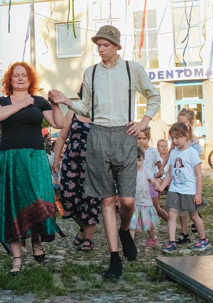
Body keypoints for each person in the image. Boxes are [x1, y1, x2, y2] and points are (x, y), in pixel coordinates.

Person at [49, 25, 161, 278]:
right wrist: (67, 101)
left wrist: (143, 122)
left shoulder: (133, 70)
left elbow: (154, 96)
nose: (101, 48)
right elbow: (86, 106)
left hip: (125, 135)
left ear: (116, 46)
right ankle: (114, 259)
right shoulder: (92, 72)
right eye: (98, 44)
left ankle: (124, 231)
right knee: (107, 200)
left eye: (106, 45)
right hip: (98, 135)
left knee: (128, 201)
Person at [0, 61, 65, 276]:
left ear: (30, 80)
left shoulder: (39, 102)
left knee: (38, 199)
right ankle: (17, 259)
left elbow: (59, 124)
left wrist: (55, 103)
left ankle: (37, 240)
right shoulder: (1, 101)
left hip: (35, 156)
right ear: (10, 80)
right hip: (10, 157)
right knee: (13, 203)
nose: (20, 78)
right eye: (16, 75)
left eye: (24, 75)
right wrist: (23, 103)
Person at [53, 86, 102, 253]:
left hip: (94, 165)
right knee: (67, 198)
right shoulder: (72, 112)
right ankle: (83, 228)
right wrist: (56, 159)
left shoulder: (101, 115)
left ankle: (88, 238)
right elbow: (61, 136)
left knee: (90, 201)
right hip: (71, 163)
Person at [158, 123, 209, 253]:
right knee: (171, 215)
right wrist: (162, 186)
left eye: (177, 138)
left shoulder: (192, 153)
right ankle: (172, 242)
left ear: (186, 136)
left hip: (189, 191)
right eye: (172, 138)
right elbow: (170, 173)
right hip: (175, 189)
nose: (174, 141)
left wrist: (198, 193)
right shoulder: (173, 153)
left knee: (193, 216)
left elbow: (198, 174)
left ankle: (204, 240)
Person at [172, 108, 203, 243]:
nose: (180, 125)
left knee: (191, 210)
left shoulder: (192, 141)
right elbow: (171, 153)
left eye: (183, 123)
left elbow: (196, 161)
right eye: (178, 121)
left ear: (189, 123)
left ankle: (200, 232)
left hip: (190, 180)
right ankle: (184, 232)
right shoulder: (176, 139)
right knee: (180, 209)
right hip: (178, 178)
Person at [130, 146, 161, 247]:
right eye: (134, 159)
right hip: (133, 203)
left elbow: (152, 180)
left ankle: (153, 238)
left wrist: (156, 184)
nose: (137, 162)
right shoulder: (129, 172)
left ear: (143, 159)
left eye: (139, 160)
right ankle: (130, 245)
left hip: (145, 203)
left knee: (148, 223)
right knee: (132, 224)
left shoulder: (146, 171)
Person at [136, 127, 168, 223]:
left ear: (148, 138)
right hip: (136, 183)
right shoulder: (133, 150)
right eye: (138, 138)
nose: (141, 141)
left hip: (150, 182)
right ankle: (133, 229)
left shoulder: (153, 151)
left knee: (155, 207)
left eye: (144, 138)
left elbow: (160, 166)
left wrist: (160, 175)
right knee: (134, 207)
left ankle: (170, 222)